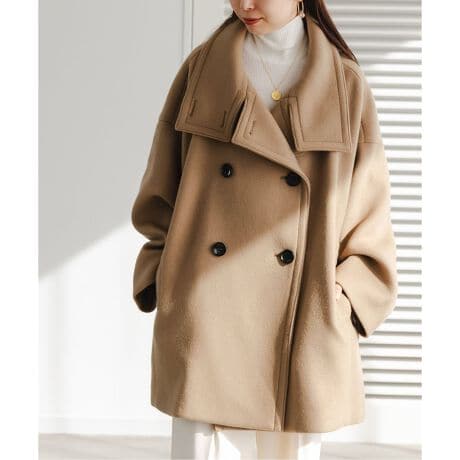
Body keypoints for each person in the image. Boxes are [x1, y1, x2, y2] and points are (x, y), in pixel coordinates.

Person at [131, 1, 398, 459]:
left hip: (301, 319)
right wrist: (165, 275)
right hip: (206, 311)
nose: (244, 4)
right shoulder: (202, 70)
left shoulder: (344, 84)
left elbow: (368, 213)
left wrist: (345, 301)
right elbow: (161, 186)